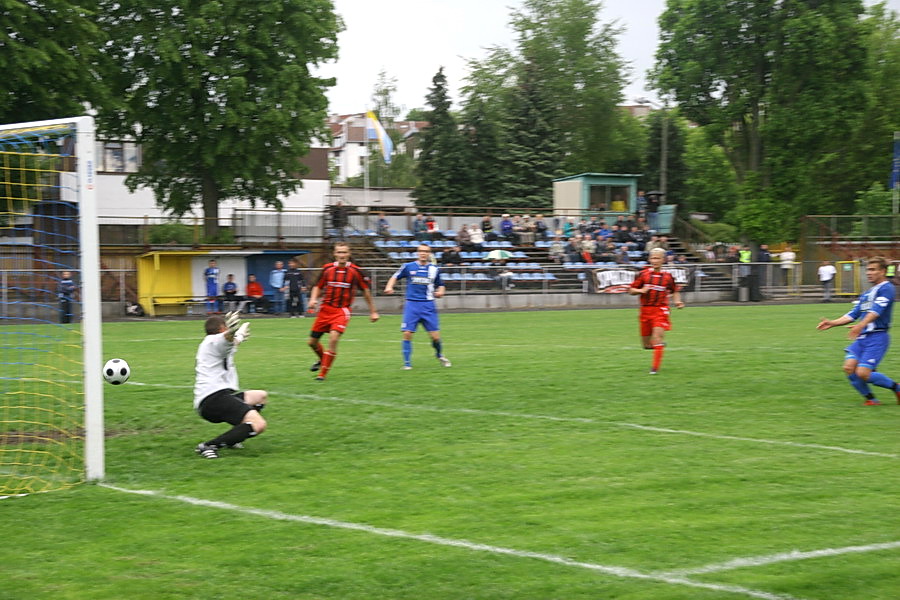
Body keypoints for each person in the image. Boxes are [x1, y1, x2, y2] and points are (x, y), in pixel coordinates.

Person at [816, 257, 900, 406]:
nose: (869, 273)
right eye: (868, 269)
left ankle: (897, 388)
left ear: (883, 271)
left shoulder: (887, 288)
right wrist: (832, 323)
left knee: (863, 373)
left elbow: (876, 311)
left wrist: (861, 325)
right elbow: (853, 314)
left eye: (873, 270)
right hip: (863, 337)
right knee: (849, 368)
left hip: (878, 337)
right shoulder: (867, 293)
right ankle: (871, 399)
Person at [193, 312, 266, 459]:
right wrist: (231, 332)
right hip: (213, 400)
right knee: (259, 424)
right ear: (222, 328)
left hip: (216, 397)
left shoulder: (215, 343)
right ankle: (209, 446)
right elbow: (226, 339)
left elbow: (232, 342)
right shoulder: (214, 341)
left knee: (260, 396)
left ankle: (235, 437)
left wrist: (239, 334)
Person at [307, 242, 380, 381]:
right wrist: (313, 299)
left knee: (333, 338)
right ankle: (323, 360)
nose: (342, 255)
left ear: (349, 254)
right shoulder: (327, 269)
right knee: (312, 342)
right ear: (335, 254)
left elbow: (365, 291)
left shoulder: (355, 271)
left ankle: (322, 374)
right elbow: (318, 286)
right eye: (339, 252)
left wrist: (373, 311)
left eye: (345, 252)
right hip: (325, 310)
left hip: (342, 310)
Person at [384, 244, 452, 370]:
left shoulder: (434, 269)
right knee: (407, 334)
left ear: (429, 254)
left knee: (435, 337)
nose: (423, 253)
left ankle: (439, 354)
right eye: (421, 251)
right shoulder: (408, 266)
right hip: (412, 305)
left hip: (428, 305)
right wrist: (389, 286)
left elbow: (440, 284)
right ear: (417, 253)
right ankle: (407, 363)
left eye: (426, 251)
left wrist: (441, 292)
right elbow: (395, 276)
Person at [628, 247, 685, 374]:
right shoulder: (644, 274)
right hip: (645, 311)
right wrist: (641, 291)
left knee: (657, 337)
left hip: (661, 310)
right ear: (649, 259)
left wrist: (677, 301)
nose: (655, 260)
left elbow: (675, 290)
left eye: (658, 258)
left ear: (663, 260)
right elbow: (631, 290)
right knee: (647, 345)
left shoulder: (667, 277)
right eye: (653, 258)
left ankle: (654, 369)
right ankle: (659, 346)